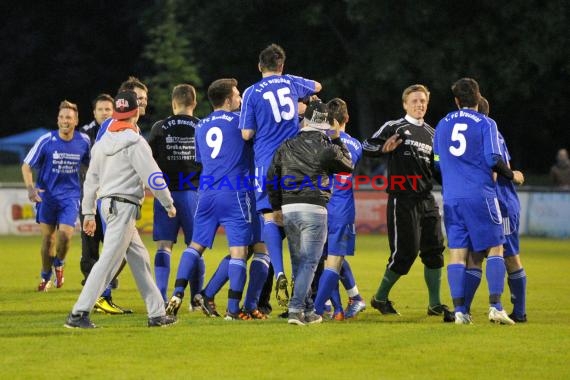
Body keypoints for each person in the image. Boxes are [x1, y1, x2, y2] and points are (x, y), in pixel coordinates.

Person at [64, 90, 177, 328]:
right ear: (135, 112)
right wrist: (168, 202)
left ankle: (156, 314)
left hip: (107, 206)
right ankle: (78, 313)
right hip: (123, 206)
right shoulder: (135, 142)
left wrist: (87, 212)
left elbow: (91, 180)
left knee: (140, 260)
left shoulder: (102, 142)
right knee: (108, 262)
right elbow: (154, 177)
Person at [433, 77, 524, 325]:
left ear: (456, 100)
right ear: (477, 96)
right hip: (480, 195)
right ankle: (495, 306)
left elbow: (436, 164)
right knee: (496, 248)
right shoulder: (486, 122)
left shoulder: (441, 124)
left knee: (457, 254)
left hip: (451, 196)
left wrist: (453, 182)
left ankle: (461, 311)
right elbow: (493, 158)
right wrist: (512, 176)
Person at [239, 43, 322, 308]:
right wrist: (301, 103)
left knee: (270, 218)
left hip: (265, 161)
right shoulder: (290, 83)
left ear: (259, 66)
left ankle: (280, 270)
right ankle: (303, 292)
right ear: (282, 66)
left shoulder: (251, 92)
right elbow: (318, 86)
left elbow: (246, 134)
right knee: (297, 218)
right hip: (295, 161)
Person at [362, 84, 454, 322]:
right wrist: (383, 148)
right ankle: (380, 297)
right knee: (405, 253)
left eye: (423, 101)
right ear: (405, 104)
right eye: (414, 101)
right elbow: (367, 146)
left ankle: (434, 304)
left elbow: (437, 169)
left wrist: (453, 182)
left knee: (435, 251)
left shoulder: (434, 135)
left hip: (427, 198)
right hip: (402, 199)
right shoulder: (395, 127)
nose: (419, 104)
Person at [166, 78, 254, 321]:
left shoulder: (201, 125)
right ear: (227, 100)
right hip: (234, 191)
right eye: (237, 95)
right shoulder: (240, 121)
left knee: (195, 245)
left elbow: (201, 160)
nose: (239, 99)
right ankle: (233, 310)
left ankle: (177, 292)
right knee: (239, 252)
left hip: (206, 192)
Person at [267, 100, 354, 325]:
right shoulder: (327, 145)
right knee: (309, 262)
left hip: (289, 208)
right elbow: (348, 165)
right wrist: (336, 138)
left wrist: (276, 206)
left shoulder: (287, 144)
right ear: (324, 122)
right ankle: (296, 310)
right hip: (314, 206)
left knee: (299, 261)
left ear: (305, 120)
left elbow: (271, 176)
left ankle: (307, 309)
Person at [462, 96, 527, 323]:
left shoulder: (492, 134)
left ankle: (519, 312)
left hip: (502, 203)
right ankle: (464, 311)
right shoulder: (480, 135)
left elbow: (500, 167)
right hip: (482, 203)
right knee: (475, 255)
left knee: (509, 255)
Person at [22, 100, 90, 291]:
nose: (64, 121)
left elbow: (93, 164)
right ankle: (45, 276)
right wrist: (30, 189)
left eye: (68, 117)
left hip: (70, 196)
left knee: (65, 236)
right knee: (48, 240)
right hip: (47, 197)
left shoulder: (83, 141)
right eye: (61, 117)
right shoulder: (46, 140)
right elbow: (26, 165)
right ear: (57, 120)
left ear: (76, 120)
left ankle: (59, 263)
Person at [147, 84, 204, 304]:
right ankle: (196, 297)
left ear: (173, 103)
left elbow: (149, 160)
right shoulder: (202, 126)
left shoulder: (159, 127)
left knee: (164, 245)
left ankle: (160, 296)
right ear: (194, 103)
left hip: (165, 193)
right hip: (193, 194)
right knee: (195, 245)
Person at [312, 98, 366, 320]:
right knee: (332, 259)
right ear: (347, 118)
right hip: (339, 208)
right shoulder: (355, 145)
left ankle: (318, 309)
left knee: (330, 261)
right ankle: (341, 306)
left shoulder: (326, 144)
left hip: (329, 207)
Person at [79, 93, 130, 314]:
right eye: (100, 110)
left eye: (108, 110)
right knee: (94, 249)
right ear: (94, 112)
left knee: (121, 251)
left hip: (109, 196)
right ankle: (95, 296)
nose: (104, 113)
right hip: (99, 197)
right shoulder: (84, 136)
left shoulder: (119, 132)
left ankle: (101, 290)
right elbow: (86, 172)